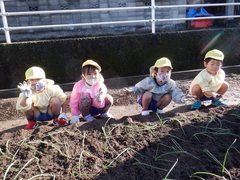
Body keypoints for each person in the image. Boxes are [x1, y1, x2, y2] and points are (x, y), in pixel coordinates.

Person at [124, 57, 194, 116]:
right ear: (155, 73)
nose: (165, 74)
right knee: (148, 94)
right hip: (147, 101)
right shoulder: (149, 81)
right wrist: (131, 91)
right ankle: (145, 109)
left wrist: (182, 98)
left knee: (168, 97)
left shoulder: (171, 84)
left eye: (167, 71)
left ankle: (159, 109)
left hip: (158, 102)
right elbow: (139, 87)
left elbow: (176, 92)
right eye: (162, 71)